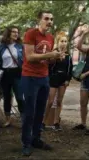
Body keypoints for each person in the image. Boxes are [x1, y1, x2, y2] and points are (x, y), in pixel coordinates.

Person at [21, 10, 65, 156]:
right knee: (29, 112)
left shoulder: (51, 38)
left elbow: (47, 60)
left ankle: (36, 139)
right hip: (30, 77)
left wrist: (56, 57)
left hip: (44, 77)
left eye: (51, 19)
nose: (49, 22)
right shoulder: (31, 34)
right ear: (39, 20)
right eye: (46, 18)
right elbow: (30, 56)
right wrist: (50, 54)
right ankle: (26, 143)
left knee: (40, 111)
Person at [42, 31, 73, 131]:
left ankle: (56, 122)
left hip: (63, 80)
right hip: (53, 79)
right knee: (50, 101)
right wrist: (56, 57)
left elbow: (70, 68)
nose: (63, 43)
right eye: (62, 41)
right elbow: (49, 66)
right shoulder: (54, 52)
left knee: (59, 101)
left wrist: (68, 79)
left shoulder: (68, 55)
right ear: (58, 42)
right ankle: (43, 121)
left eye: (65, 41)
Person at [0, 25, 24, 127]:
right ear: (8, 33)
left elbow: (25, 61)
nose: (16, 33)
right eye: (14, 31)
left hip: (17, 73)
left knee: (20, 97)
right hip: (5, 74)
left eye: (17, 32)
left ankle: (23, 119)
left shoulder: (20, 46)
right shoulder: (1, 47)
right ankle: (8, 119)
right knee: (7, 97)